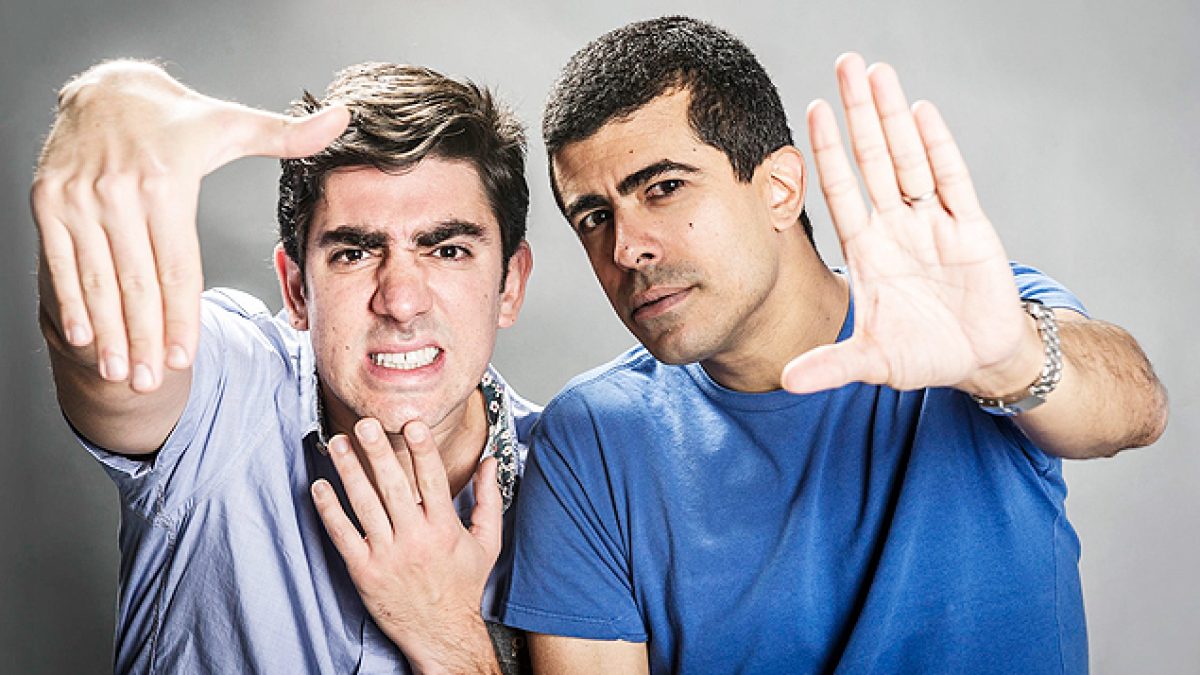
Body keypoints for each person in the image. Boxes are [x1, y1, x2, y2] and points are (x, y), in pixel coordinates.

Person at [499, 16, 1169, 673]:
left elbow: (1137, 410)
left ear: (780, 189)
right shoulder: (592, 437)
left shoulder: (966, 324)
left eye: (664, 187)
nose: (626, 248)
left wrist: (1008, 360)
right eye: (595, 217)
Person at [32, 60, 534, 673]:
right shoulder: (228, 392)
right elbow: (107, 346)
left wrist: (449, 637)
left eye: (448, 250)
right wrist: (109, 110)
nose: (401, 301)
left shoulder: (585, 488)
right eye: (354, 253)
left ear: (510, 284)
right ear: (296, 290)